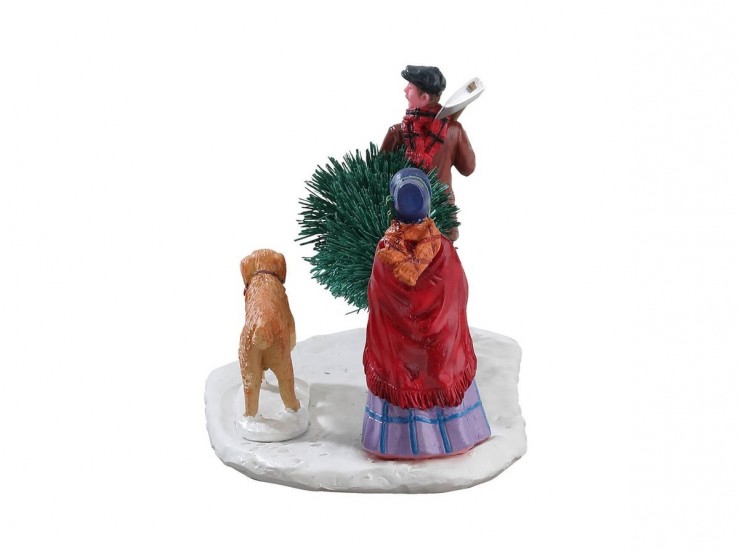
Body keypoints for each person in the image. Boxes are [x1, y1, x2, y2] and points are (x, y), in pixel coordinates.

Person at [361, 168, 491, 459]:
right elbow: (458, 291)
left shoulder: (385, 252)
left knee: (402, 375)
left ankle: (398, 443)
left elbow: (377, 299)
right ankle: (455, 435)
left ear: (393, 205)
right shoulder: (443, 248)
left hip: (399, 358)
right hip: (439, 352)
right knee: (441, 371)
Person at [380, 65, 476, 241]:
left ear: (423, 97)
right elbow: (468, 168)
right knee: (442, 254)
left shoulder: (397, 133)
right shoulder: (453, 130)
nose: (405, 90)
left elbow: (378, 174)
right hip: (441, 211)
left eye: (410, 87)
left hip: (404, 213)